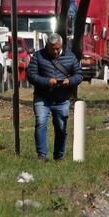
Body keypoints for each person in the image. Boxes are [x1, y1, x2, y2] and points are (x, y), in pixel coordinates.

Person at [26, 33, 83, 162]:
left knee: (61, 127)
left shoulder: (70, 57)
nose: (56, 51)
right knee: (40, 123)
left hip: (62, 99)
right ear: (47, 46)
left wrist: (70, 81)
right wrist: (47, 81)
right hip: (42, 97)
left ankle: (59, 156)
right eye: (53, 49)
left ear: (61, 45)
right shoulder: (38, 56)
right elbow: (31, 75)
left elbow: (79, 75)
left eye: (58, 48)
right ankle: (42, 155)